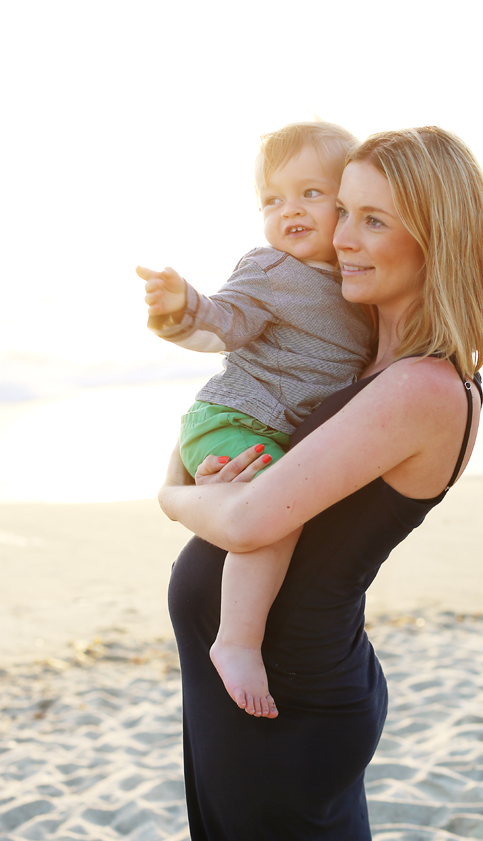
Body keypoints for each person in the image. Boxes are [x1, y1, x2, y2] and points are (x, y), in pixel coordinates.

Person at [159, 126, 483, 841]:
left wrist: (170, 496)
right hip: (266, 692)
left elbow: (244, 520)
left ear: (437, 236)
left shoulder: (423, 389)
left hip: (287, 707)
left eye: (373, 220)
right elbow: (231, 436)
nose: (341, 237)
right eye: (341, 210)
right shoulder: (353, 362)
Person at [137, 121, 372, 717]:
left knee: (277, 504)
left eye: (310, 193)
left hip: (264, 430)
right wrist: (182, 307)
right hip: (233, 417)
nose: (288, 209)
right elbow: (223, 323)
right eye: (272, 199)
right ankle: (236, 641)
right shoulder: (270, 269)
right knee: (274, 508)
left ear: (350, 204)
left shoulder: (358, 285)